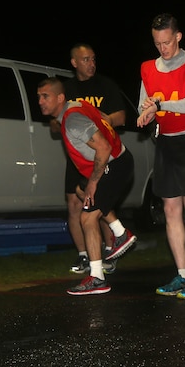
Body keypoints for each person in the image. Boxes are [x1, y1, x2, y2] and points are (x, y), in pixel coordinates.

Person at [137, 13, 185, 300]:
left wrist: (159, 103)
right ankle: (182, 274)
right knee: (170, 210)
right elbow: (143, 105)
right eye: (157, 43)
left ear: (178, 36)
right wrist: (145, 115)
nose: (163, 48)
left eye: (167, 42)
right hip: (166, 144)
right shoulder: (147, 68)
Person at [37, 77, 134, 295]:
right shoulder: (77, 105)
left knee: (87, 217)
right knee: (81, 191)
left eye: (45, 96)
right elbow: (101, 117)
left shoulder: (72, 120)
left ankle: (98, 277)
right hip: (119, 160)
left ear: (60, 97)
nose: (41, 101)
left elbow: (103, 147)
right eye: (39, 97)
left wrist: (94, 182)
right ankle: (119, 232)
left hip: (115, 163)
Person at [60, 44, 136, 273]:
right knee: (76, 203)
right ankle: (85, 256)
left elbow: (122, 116)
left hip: (104, 154)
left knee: (99, 204)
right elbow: (58, 123)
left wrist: (103, 120)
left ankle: (111, 250)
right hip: (79, 156)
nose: (91, 64)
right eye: (86, 60)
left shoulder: (106, 85)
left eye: (93, 59)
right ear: (74, 63)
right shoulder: (66, 89)